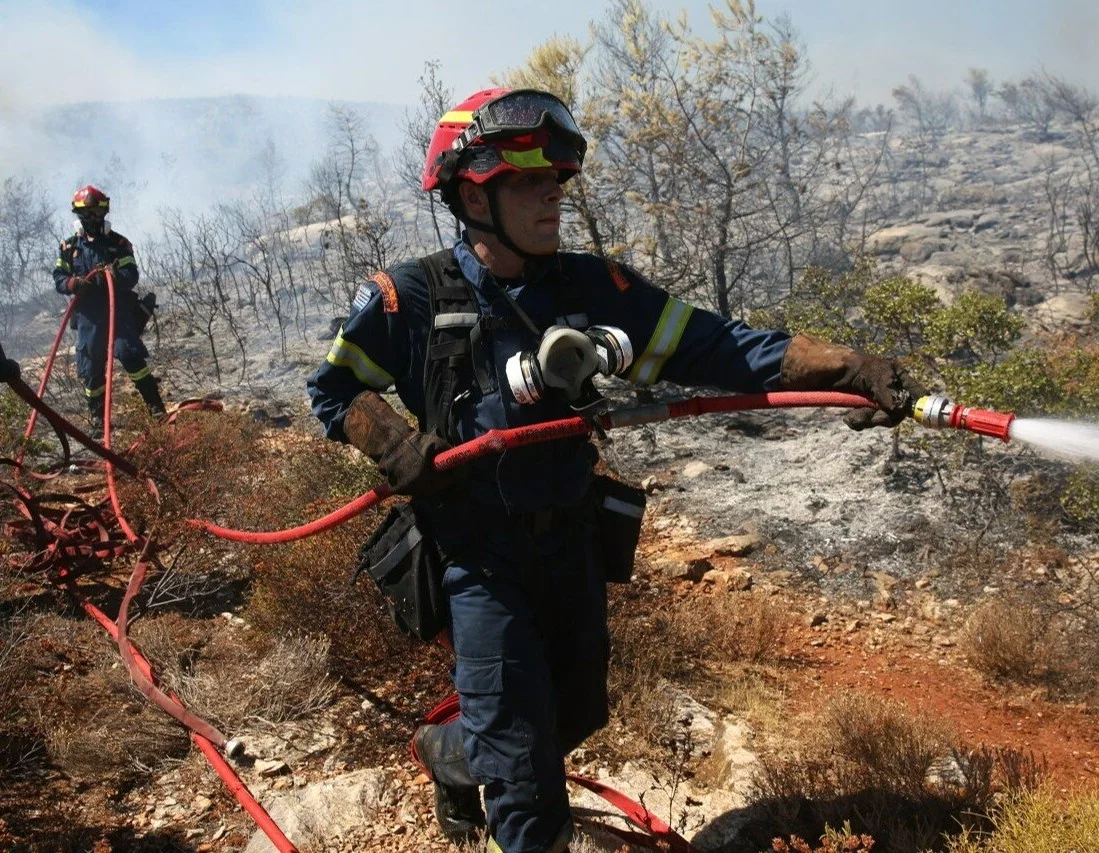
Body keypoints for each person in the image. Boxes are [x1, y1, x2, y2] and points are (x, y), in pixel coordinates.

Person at [307, 88, 924, 853]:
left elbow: (722, 346)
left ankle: (453, 751)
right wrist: (395, 444)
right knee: (528, 780)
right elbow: (332, 390)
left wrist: (848, 367)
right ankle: (504, 779)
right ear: (474, 192)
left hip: (568, 542)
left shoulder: (594, 288)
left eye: (557, 181)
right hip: (478, 558)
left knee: (574, 712)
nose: (553, 196)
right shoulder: (409, 298)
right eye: (532, 182)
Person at [53, 185, 165, 436]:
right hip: (88, 317)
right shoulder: (69, 248)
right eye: (87, 213)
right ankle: (98, 421)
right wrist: (72, 283)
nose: (92, 219)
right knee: (91, 366)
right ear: (78, 215)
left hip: (118, 312)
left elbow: (131, 274)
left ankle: (156, 408)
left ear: (104, 213)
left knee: (129, 354)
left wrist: (111, 278)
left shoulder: (118, 244)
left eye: (97, 213)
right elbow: (59, 277)